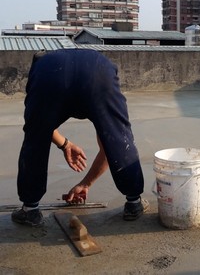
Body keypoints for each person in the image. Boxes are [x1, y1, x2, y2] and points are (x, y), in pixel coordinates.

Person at [11, 48, 149, 227]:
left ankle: (30, 210)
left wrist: (84, 181)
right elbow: (110, 146)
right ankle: (134, 202)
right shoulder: (96, 62)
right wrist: (66, 146)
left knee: (35, 139)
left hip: (50, 77)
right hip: (99, 74)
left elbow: (40, 127)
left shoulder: (41, 67)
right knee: (118, 138)